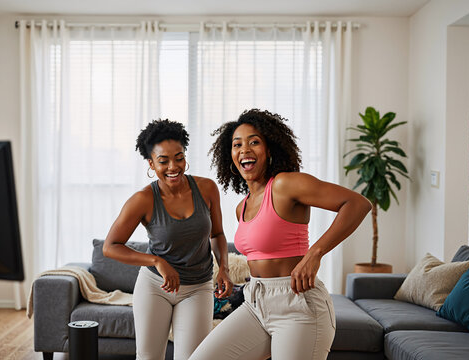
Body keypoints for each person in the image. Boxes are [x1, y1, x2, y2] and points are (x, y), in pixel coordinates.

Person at [189, 109, 372, 360]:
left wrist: (314, 253)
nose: (245, 149)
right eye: (237, 144)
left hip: (298, 304)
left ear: (270, 149)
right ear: (230, 155)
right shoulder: (241, 207)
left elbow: (357, 204)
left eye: (254, 142)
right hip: (256, 302)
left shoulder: (286, 184)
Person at [103, 119, 233, 360]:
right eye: (163, 161)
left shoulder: (206, 189)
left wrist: (223, 267)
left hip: (198, 287)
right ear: (151, 163)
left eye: (179, 157)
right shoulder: (142, 199)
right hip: (155, 287)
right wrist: (157, 262)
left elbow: (217, 234)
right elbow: (110, 247)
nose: (173, 166)